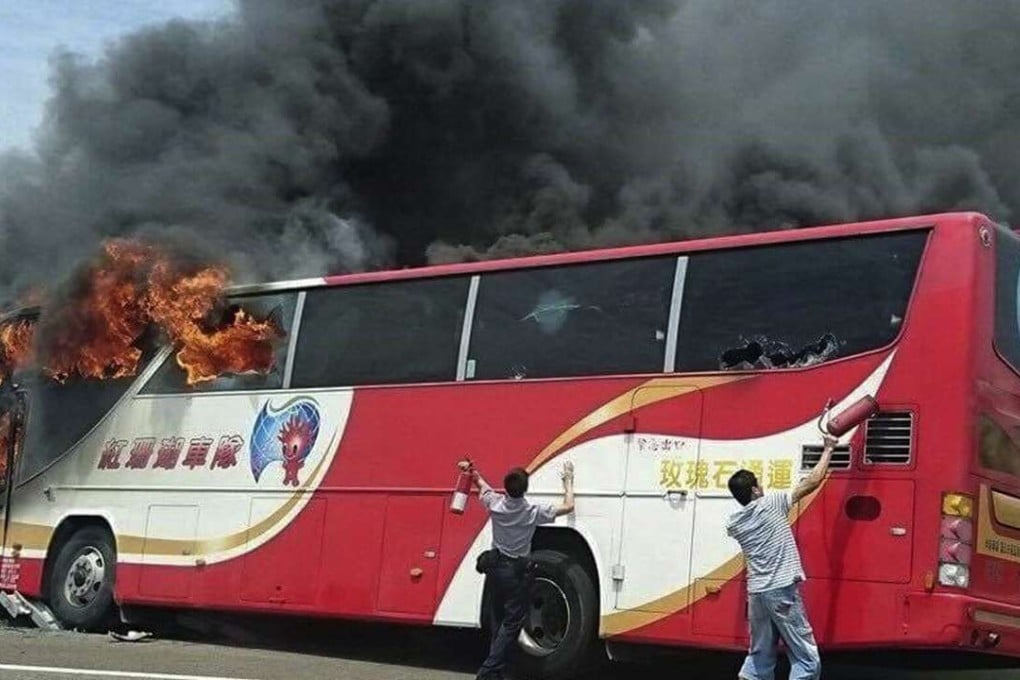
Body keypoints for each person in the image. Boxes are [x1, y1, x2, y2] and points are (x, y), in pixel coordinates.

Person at [726, 434, 837, 680]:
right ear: (755, 490)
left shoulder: (735, 524)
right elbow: (811, 482)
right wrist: (828, 449)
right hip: (781, 591)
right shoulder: (771, 504)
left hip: (757, 594)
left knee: (759, 653)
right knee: (806, 657)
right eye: (759, 484)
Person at [457, 459, 575, 680]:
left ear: (507, 487)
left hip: (495, 569)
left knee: (497, 620)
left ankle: (497, 672)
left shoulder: (496, 505)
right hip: (516, 573)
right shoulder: (532, 512)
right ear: (525, 489)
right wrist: (568, 480)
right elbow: (568, 506)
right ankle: (488, 671)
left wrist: (473, 473)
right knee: (511, 624)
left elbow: (483, 487)